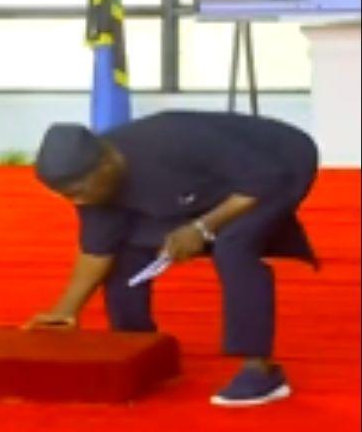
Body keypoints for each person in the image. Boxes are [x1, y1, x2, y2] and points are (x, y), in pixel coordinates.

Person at [26, 111, 318, 407]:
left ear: (107, 164)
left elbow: (265, 178)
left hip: (279, 164)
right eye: (66, 196)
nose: (78, 202)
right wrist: (66, 309)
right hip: (208, 188)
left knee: (233, 246)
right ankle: (138, 347)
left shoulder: (174, 140)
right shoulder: (93, 185)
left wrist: (202, 227)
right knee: (126, 250)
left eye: (78, 191)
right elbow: (98, 250)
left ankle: (262, 371)